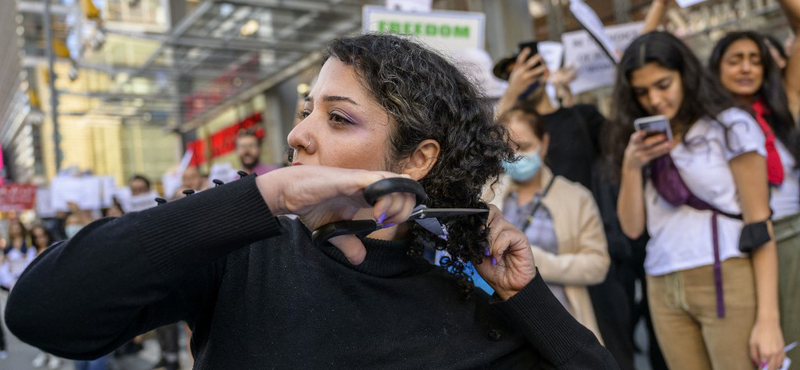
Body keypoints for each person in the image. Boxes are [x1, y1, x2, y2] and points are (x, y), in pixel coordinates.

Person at [5, 34, 617, 369]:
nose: (299, 133)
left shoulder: (462, 276)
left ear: (419, 159)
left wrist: (524, 296)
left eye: (339, 118)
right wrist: (264, 194)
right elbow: (44, 314)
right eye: (304, 111)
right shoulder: (244, 248)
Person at [608, 31, 785, 370]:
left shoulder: (730, 125)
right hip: (662, 281)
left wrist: (769, 320)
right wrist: (631, 166)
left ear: (685, 75)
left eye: (663, 84)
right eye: (642, 92)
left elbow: (760, 222)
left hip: (725, 273)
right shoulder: (643, 139)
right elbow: (631, 229)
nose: (654, 100)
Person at [495, 45, 638, 369]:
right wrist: (510, 96)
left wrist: (564, 96)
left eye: (529, 70)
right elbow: (477, 148)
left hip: (590, 253)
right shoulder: (508, 134)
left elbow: (618, 143)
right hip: (532, 296)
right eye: (511, 76)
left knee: (610, 351)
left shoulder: (579, 116)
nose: (517, 154)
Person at [708, 0, 800, 357]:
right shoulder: (705, 121)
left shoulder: (785, 105)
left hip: (792, 236)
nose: (746, 67)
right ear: (716, 68)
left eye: (755, 59)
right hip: (741, 245)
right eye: (735, 60)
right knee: (761, 351)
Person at [488, 105, 610, 343]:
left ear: (544, 144)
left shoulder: (576, 197)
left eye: (523, 146)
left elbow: (598, 264)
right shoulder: (489, 192)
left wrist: (537, 262)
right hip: (500, 327)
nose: (515, 156)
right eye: (507, 148)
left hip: (560, 322)